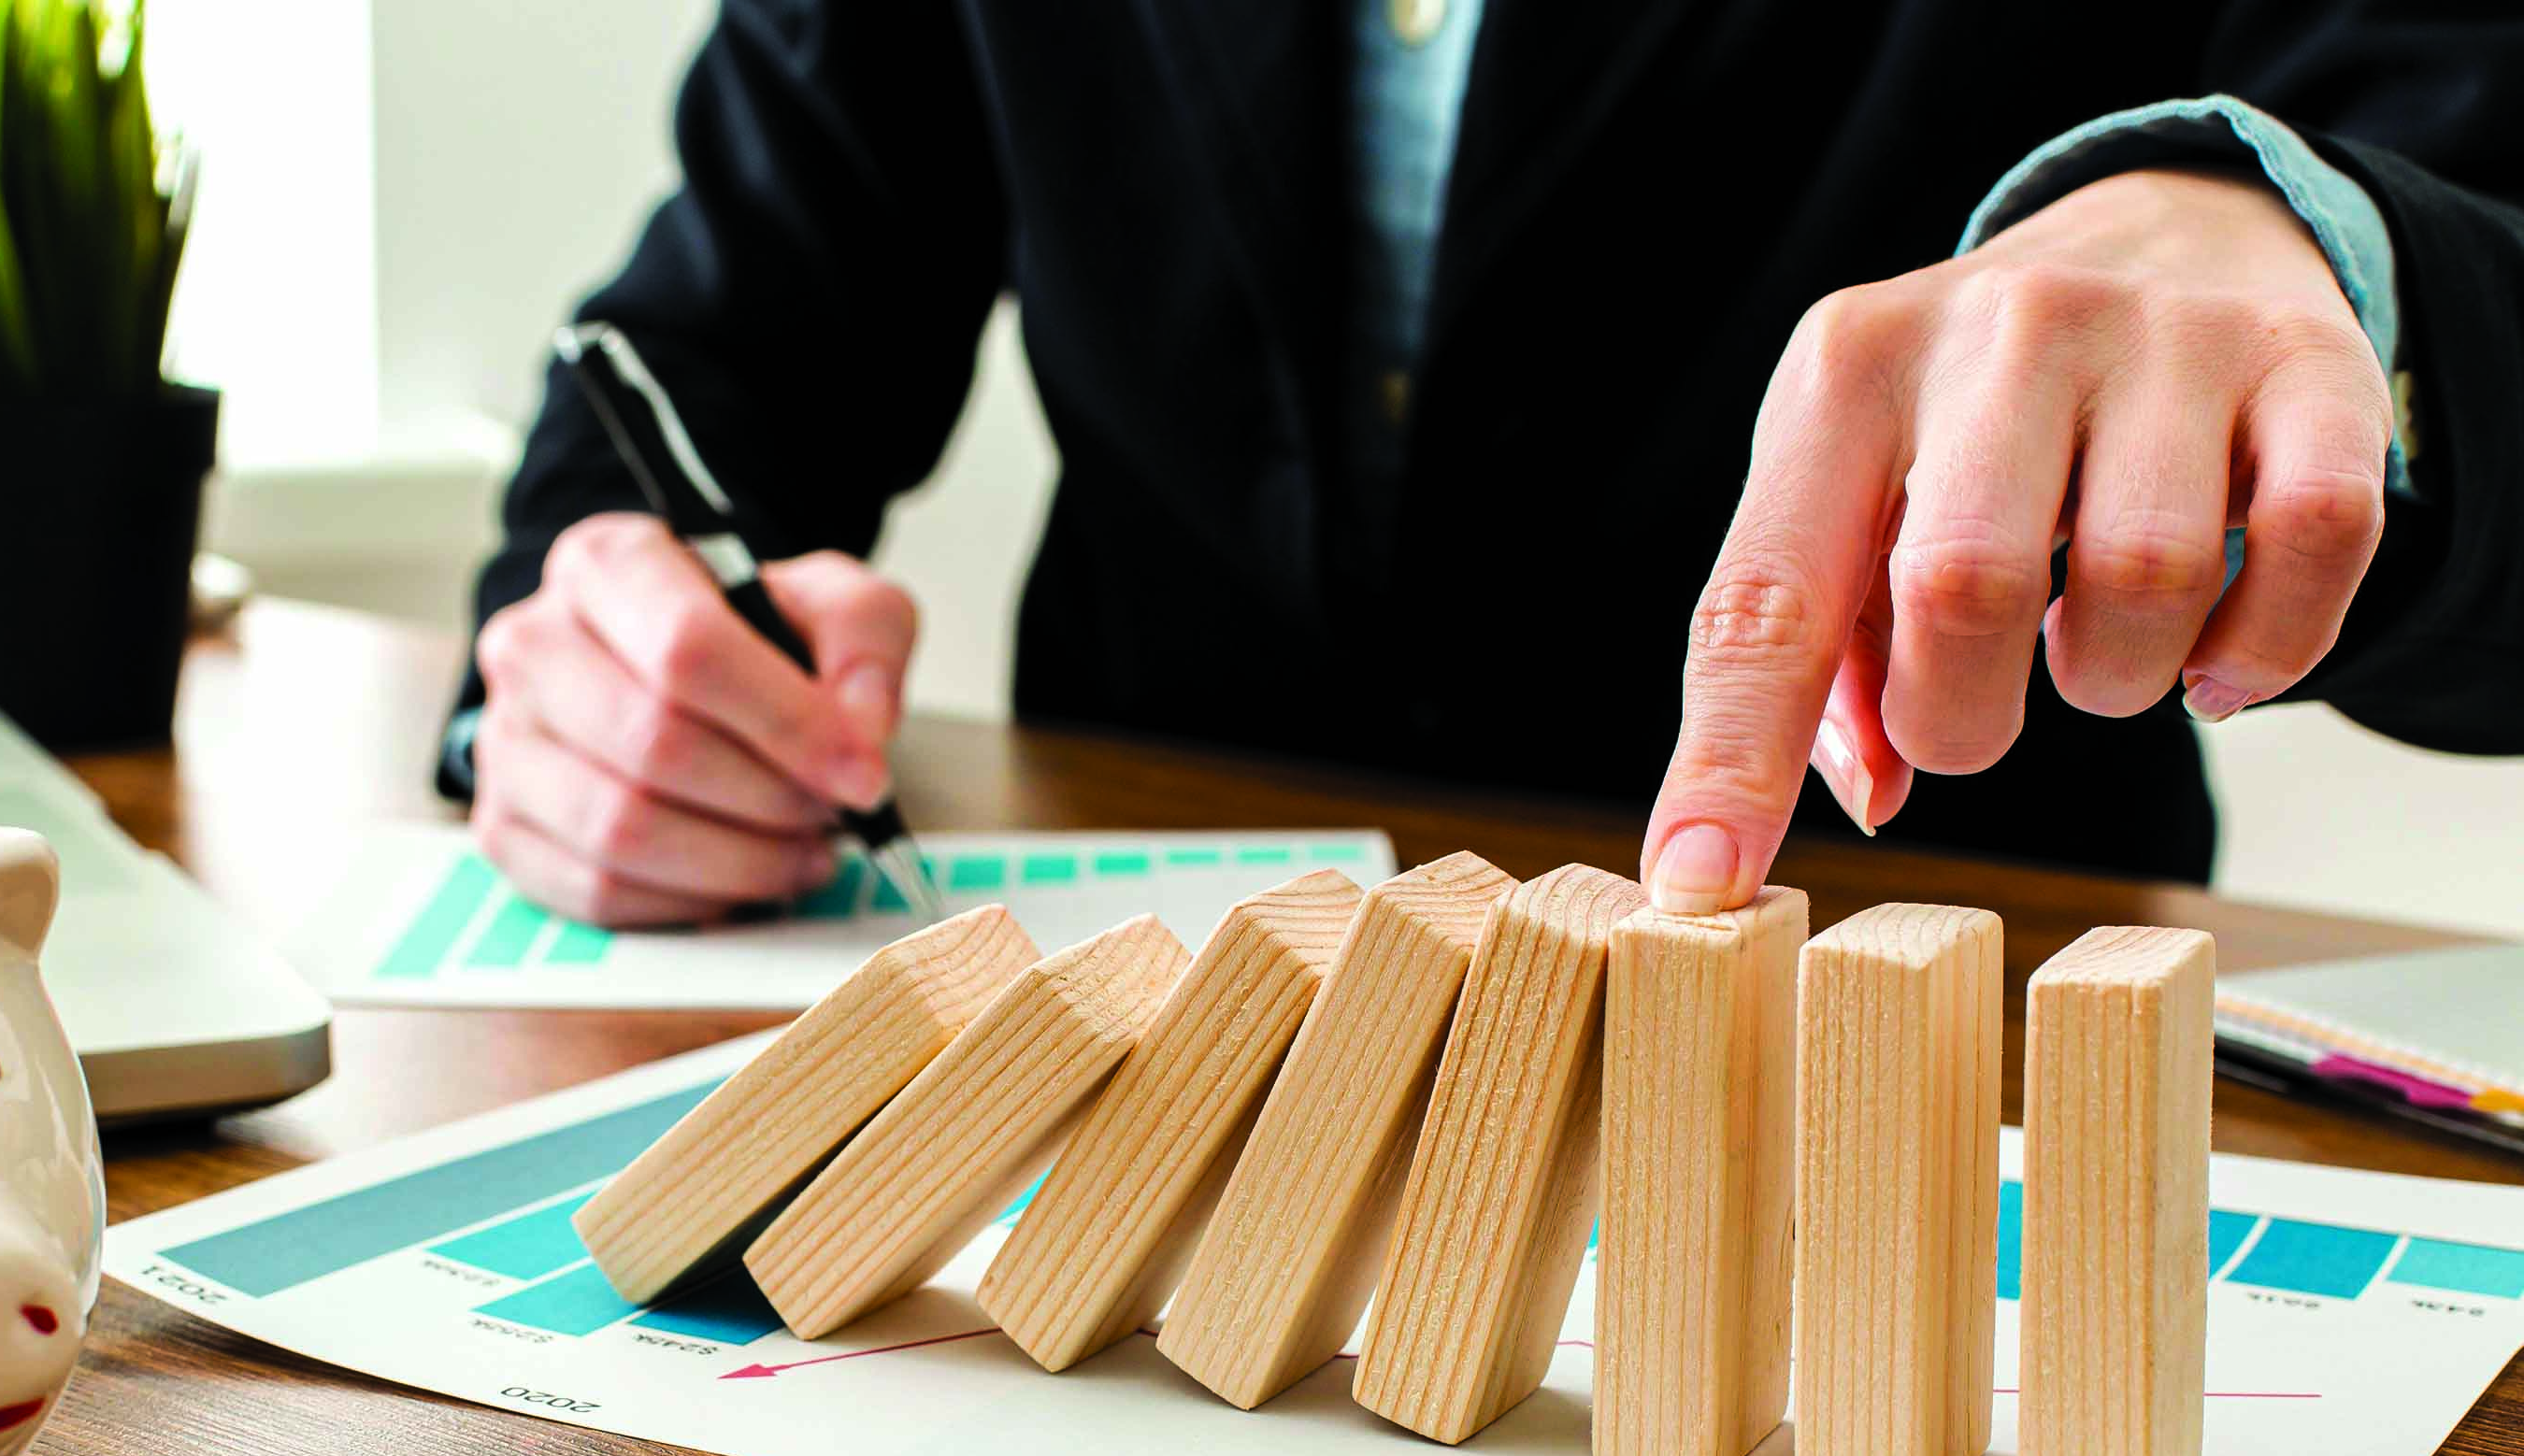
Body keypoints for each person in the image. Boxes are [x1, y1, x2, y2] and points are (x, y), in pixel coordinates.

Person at [445, 3, 2524, 927]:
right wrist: (593, 644)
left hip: (1946, 1011)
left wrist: (2313, 253)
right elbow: (711, 346)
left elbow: (2465, 206)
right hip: (1167, 1051)